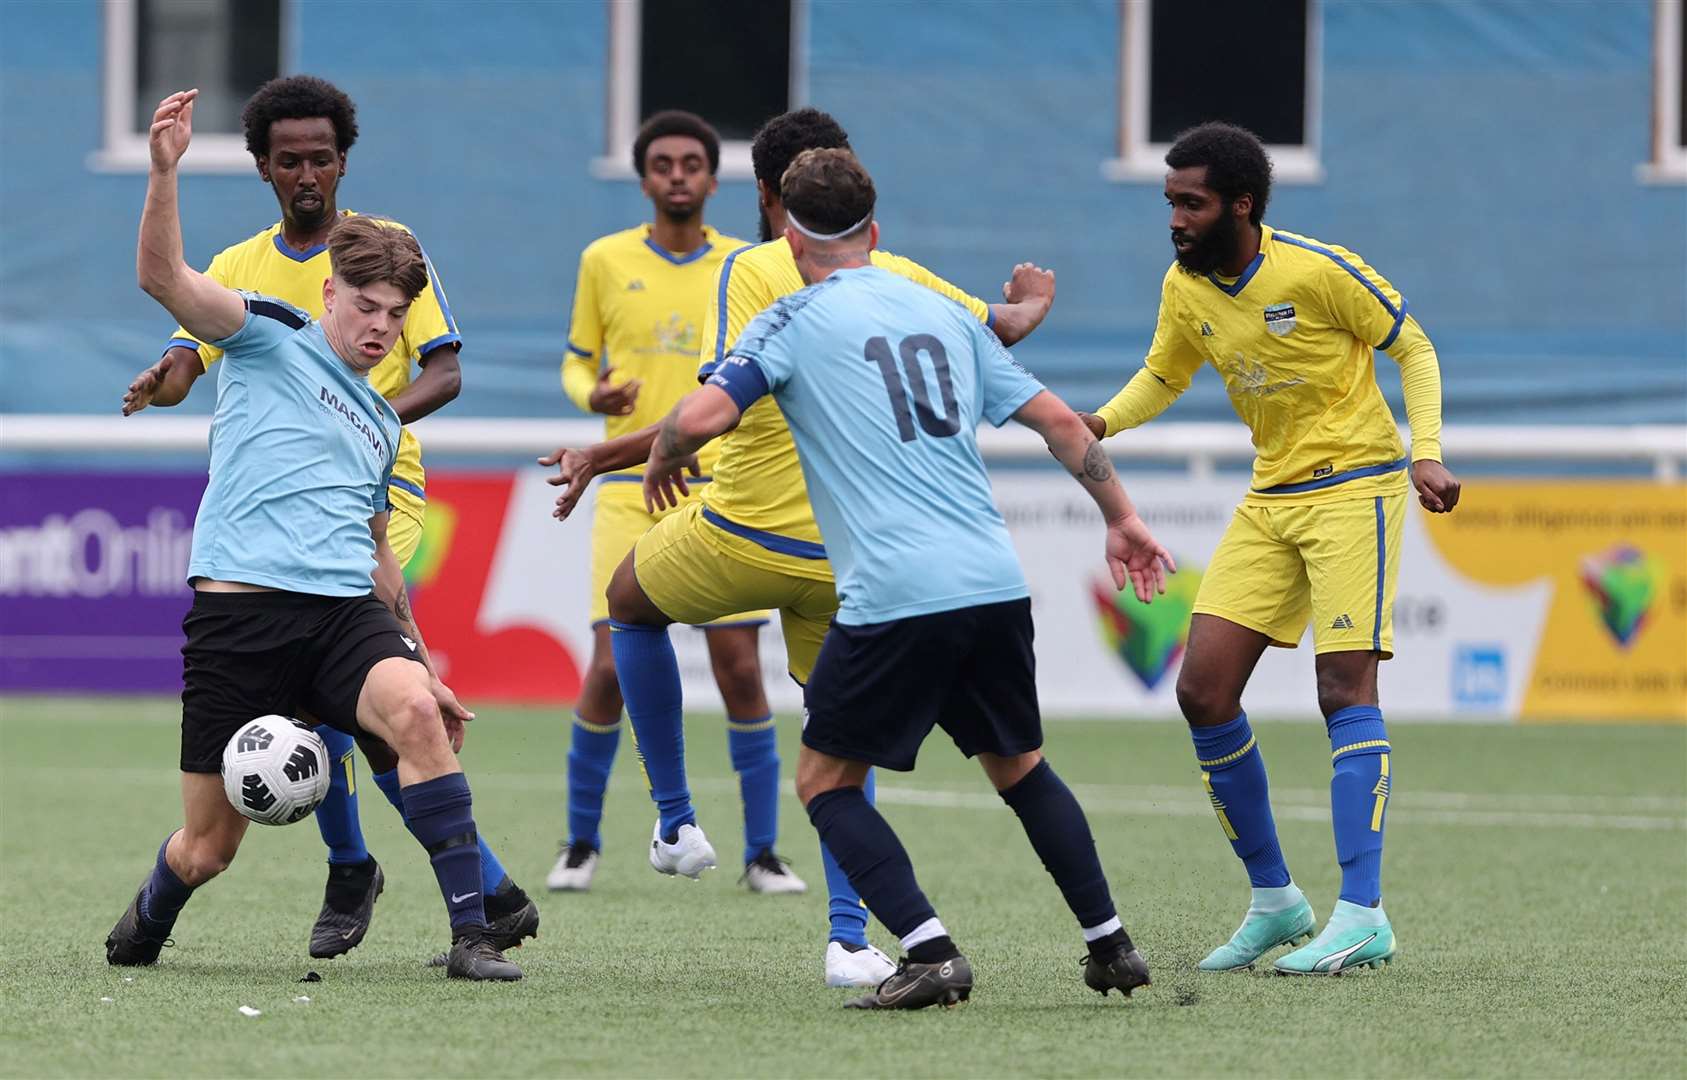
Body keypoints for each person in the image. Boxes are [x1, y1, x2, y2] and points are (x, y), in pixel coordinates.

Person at [541, 107, 1058, 988]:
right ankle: (851, 940)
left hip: (746, 527)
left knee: (628, 613)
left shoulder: (746, 271)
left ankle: (673, 820)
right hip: (861, 553)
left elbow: (715, 406)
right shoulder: (897, 273)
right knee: (839, 747)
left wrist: (633, 451)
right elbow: (1001, 327)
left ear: (770, 199)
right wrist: (1036, 299)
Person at [648, 147, 1171, 1009]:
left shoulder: (787, 318)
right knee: (1020, 767)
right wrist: (1122, 518)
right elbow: (1057, 423)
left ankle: (927, 951)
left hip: (895, 593)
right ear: (874, 231)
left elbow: (702, 415)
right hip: (992, 582)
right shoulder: (943, 313)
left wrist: (666, 450)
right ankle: (1108, 943)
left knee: (823, 781)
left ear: (786, 230)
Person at [104, 89, 521, 981]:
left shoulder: (380, 421)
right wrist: (163, 170)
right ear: (330, 292)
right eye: (366, 307)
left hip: (339, 617)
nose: (380, 329)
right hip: (238, 625)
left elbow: (379, 559)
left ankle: (473, 934)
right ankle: (152, 910)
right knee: (209, 849)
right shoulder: (266, 335)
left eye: (395, 316)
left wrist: (420, 661)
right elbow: (161, 278)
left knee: (415, 715)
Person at [1080, 122, 1459, 975]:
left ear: (1241, 204)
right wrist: (1098, 420)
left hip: (1353, 487)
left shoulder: (1317, 270)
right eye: (1169, 202)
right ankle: (1276, 902)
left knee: (1341, 687)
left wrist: (1425, 449)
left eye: (1191, 203)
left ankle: (1361, 914)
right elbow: (1164, 376)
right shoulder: (1185, 287)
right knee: (1202, 691)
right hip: (1269, 498)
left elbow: (1413, 346)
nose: (1174, 218)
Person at [544, 110, 802, 896]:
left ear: (714, 180)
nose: (679, 174)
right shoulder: (603, 259)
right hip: (627, 484)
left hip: (721, 480)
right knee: (604, 669)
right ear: (645, 176)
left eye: (693, 162)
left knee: (738, 668)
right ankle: (581, 844)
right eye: (663, 163)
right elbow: (574, 363)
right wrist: (595, 392)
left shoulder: (749, 264)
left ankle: (762, 854)